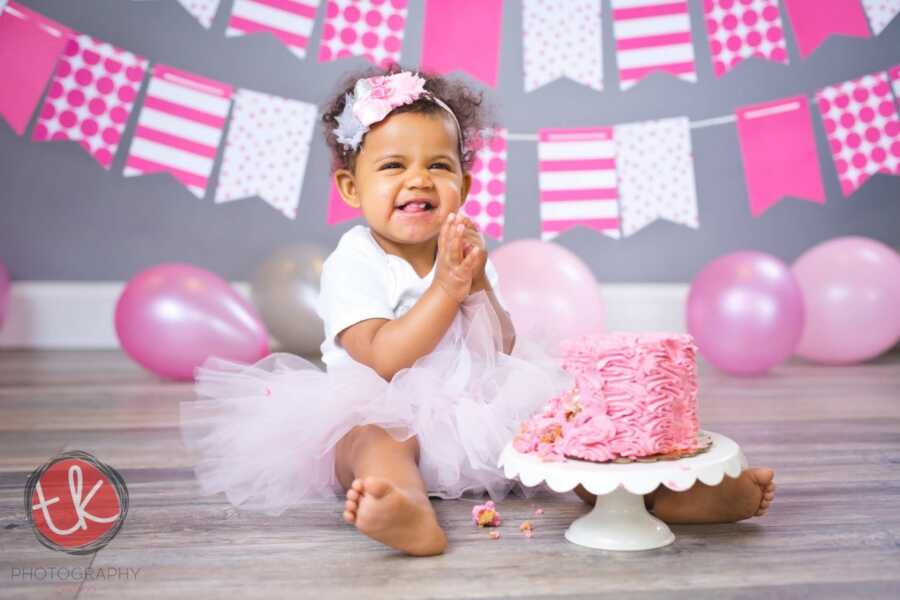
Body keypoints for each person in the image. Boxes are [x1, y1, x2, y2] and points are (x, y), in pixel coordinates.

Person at [181, 67, 775, 557]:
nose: (419, 179)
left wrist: (475, 287)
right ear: (351, 187)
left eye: (439, 165)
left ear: (463, 185)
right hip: (382, 408)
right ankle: (402, 503)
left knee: (567, 434)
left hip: (478, 409)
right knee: (370, 440)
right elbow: (382, 358)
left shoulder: (462, 250)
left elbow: (504, 346)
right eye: (393, 166)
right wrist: (444, 288)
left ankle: (658, 497)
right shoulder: (355, 260)